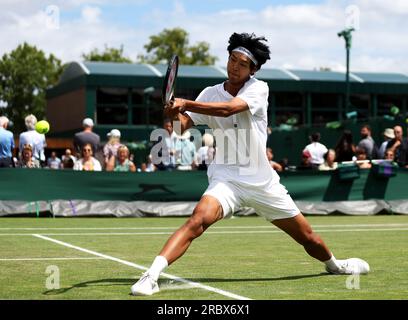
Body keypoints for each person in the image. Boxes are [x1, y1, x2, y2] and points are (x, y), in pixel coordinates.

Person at [131, 32, 369, 296]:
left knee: (307, 237)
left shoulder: (258, 89)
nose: (235, 66)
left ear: (252, 70)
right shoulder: (209, 93)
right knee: (197, 221)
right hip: (226, 179)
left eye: (242, 64)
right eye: (233, 59)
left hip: (262, 182)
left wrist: (185, 103)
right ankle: (150, 276)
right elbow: (179, 128)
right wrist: (174, 113)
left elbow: (229, 109)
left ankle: (335, 265)